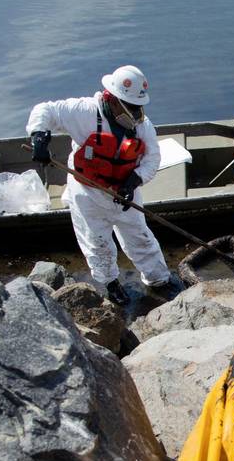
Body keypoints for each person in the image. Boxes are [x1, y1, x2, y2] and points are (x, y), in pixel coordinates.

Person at [26, 65, 171, 304]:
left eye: (138, 107)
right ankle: (110, 283)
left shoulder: (143, 127)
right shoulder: (83, 112)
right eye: (130, 106)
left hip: (125, 192)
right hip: (88, 192)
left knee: (140, 237)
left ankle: (159, 280)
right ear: (112, 99)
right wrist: (39, 135)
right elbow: (46, 110)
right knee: (97, 242)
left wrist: (134, 180)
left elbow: (152, 159)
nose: (135, 113)